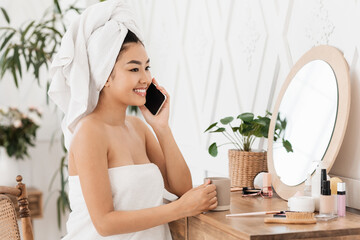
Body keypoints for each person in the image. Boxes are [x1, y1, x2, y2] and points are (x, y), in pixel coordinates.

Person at [48, 0, 217, 239]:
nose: (146, 78)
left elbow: (182, 188)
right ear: (105, 76)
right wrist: (179, 209)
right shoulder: (89, 133)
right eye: (134, 69)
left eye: (147, 67)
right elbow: (104, 224)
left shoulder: (138, 127)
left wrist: (162, 128)